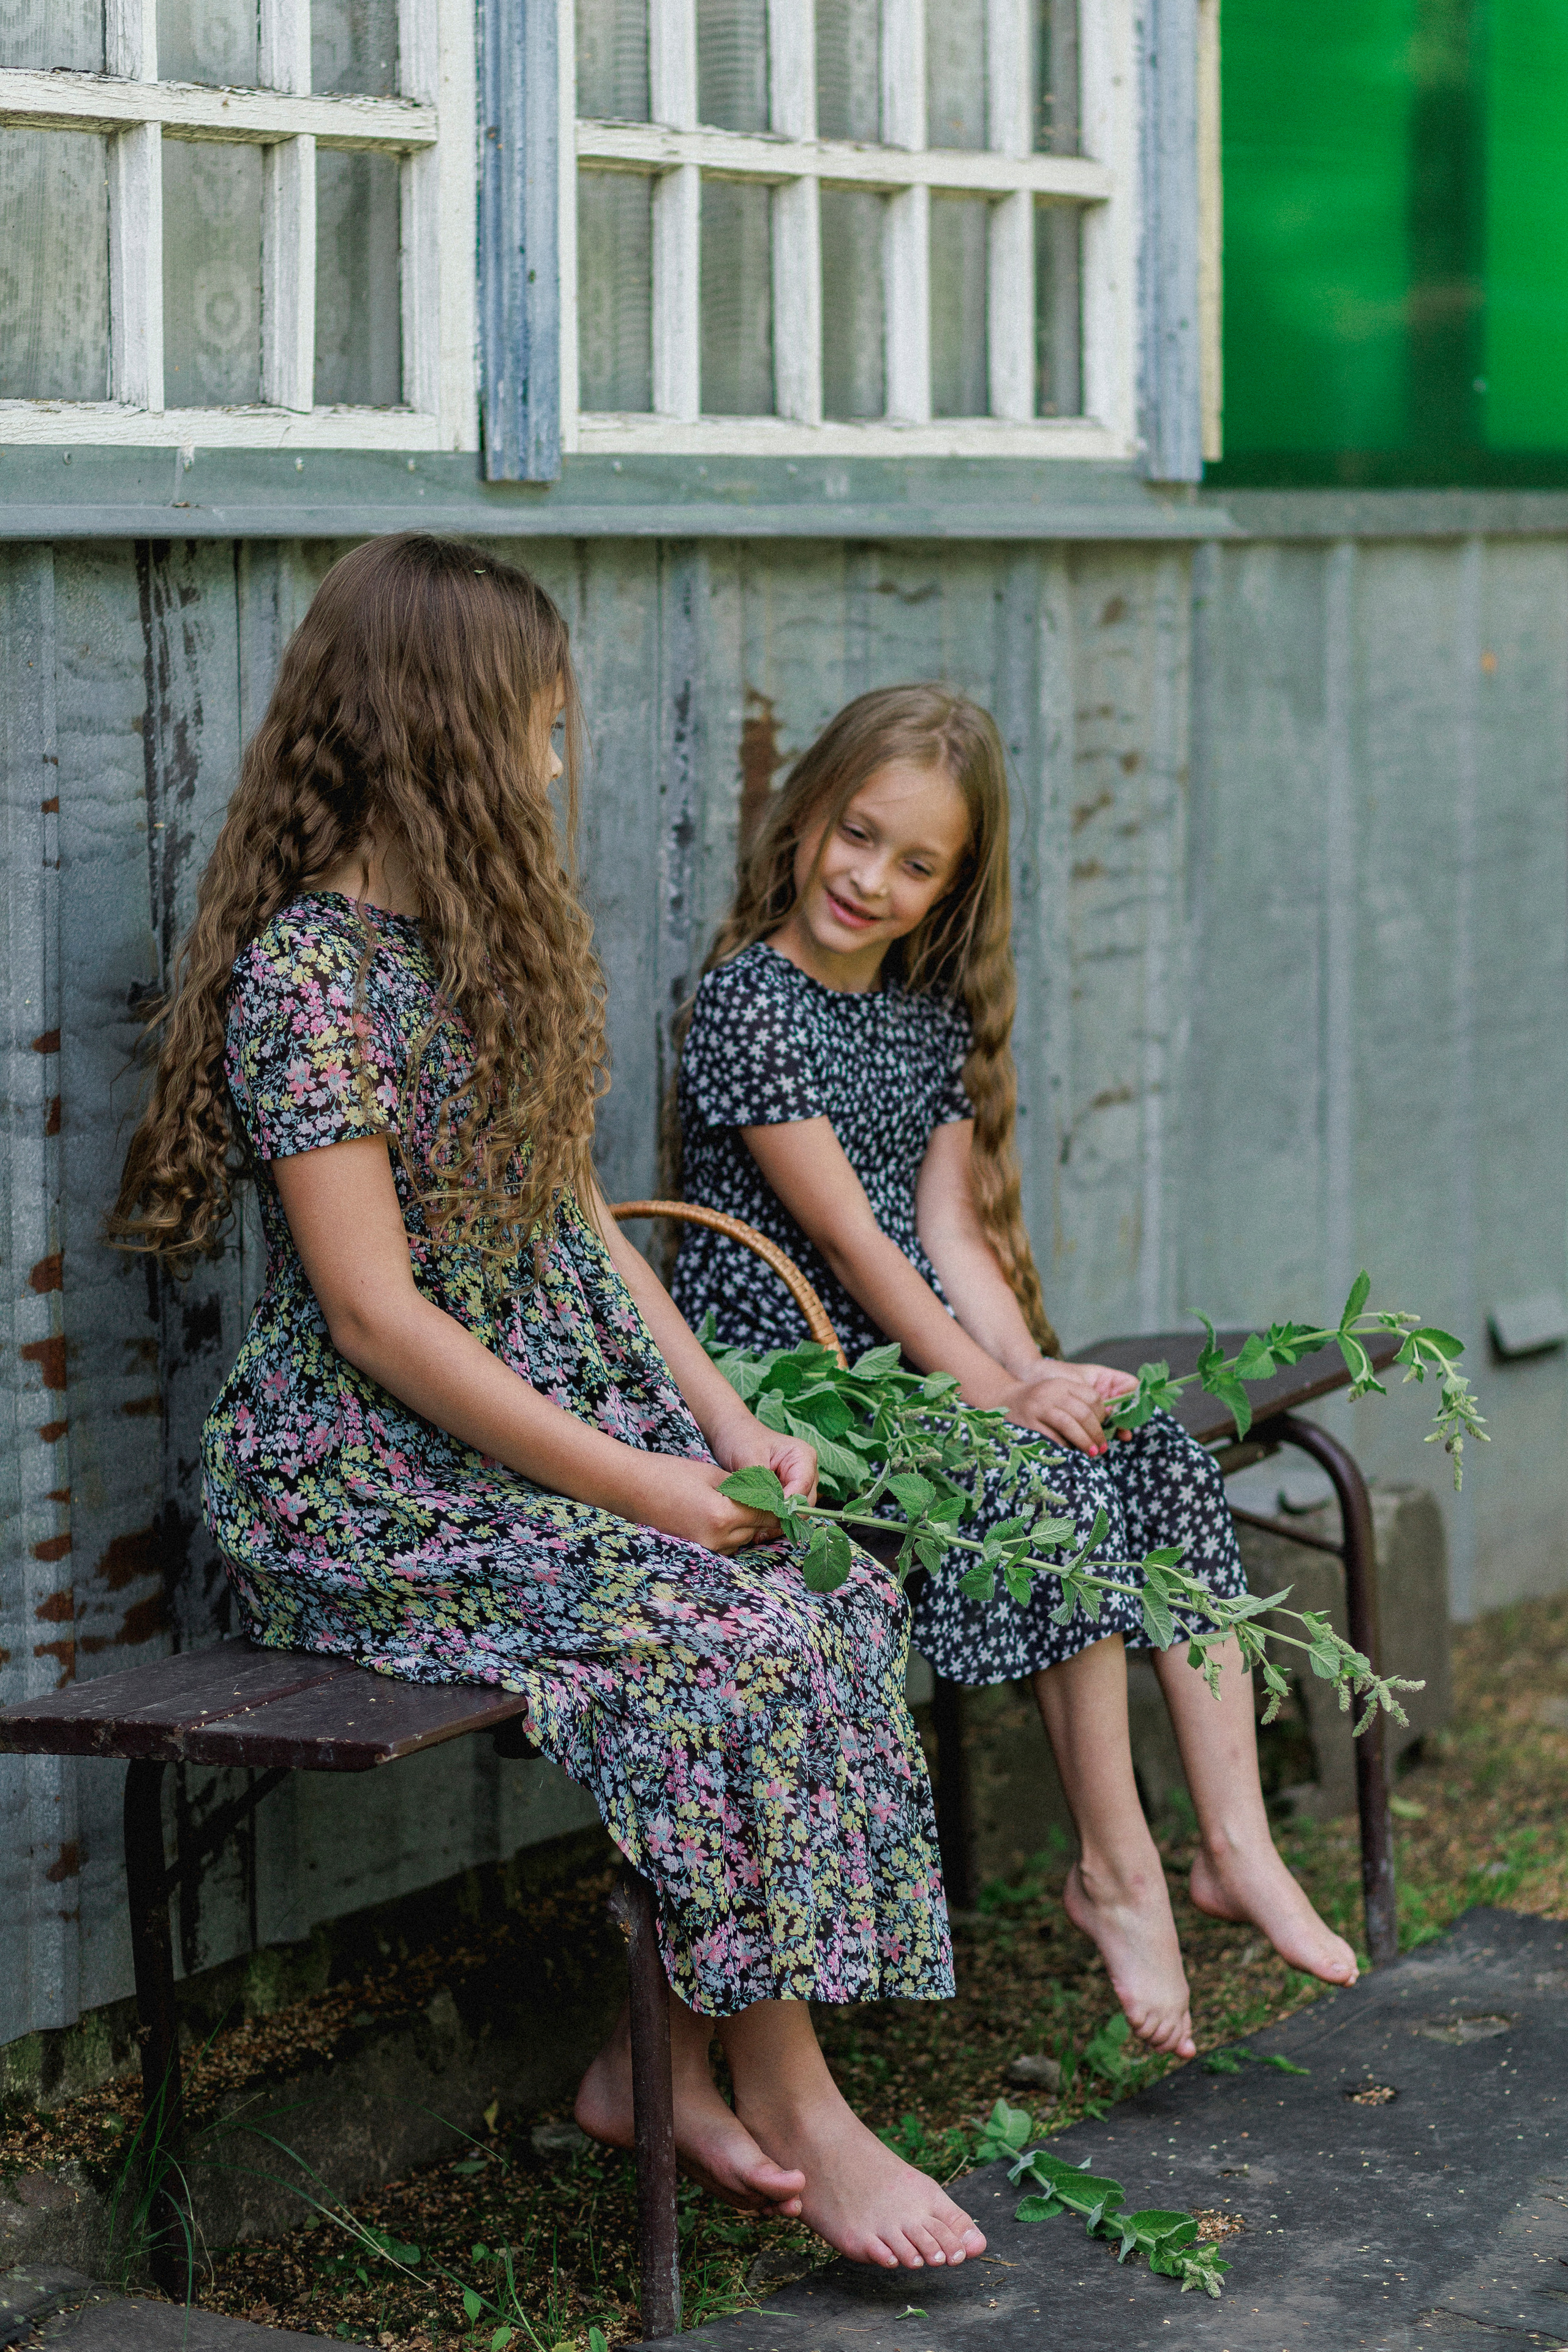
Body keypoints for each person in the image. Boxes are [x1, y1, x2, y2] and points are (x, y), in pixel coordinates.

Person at [106, 538, 987, 2275]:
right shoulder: (312, 977)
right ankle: (795, 2097)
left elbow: (579, 1221)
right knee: (721, 1627)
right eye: (541, 728)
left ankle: (641, 2060)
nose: (558, 764)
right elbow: (372, 1316)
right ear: (443, 731)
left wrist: (727, 1425)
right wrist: (647, 1494)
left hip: (547, 1436)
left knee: (831, 1580)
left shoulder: (493, 943)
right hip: (366, 1488)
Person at [671, 684, 1359, 2061]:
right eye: (856, 835)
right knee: (1036, 1472)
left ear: (952, 886)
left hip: (909, 1361)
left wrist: (1036, 1366)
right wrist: (997, 1400)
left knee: (1136, 1442)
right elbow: (851, 1244)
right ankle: (1115, 1868)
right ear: (806, 814)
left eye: (913, 863)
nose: (868, 878)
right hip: (789, 1377)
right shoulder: (750, 1002)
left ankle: (1227, 1841)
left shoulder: (923, 1021)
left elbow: (947, 1235)